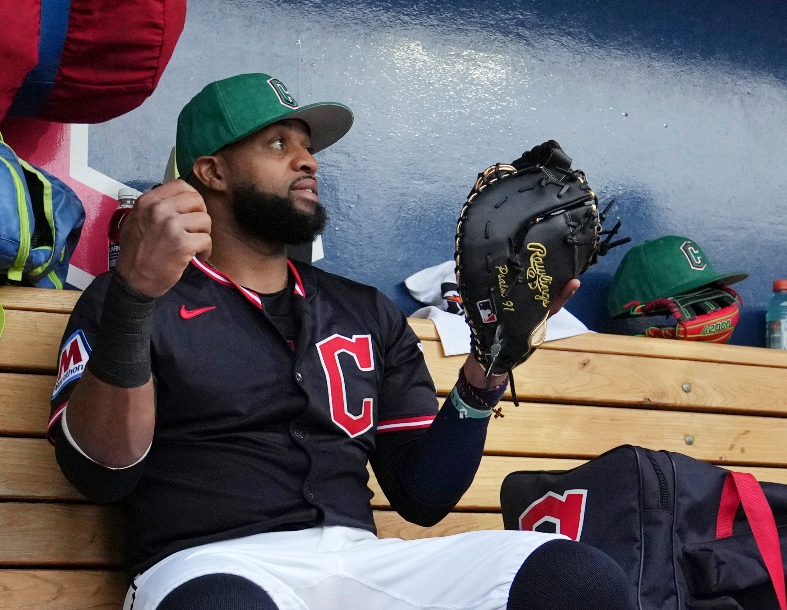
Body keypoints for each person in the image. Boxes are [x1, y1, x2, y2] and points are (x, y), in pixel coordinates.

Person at [48, 72, 635, 610]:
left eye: (308, 148)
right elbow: (101, 472)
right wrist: (135, 297)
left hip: (362, 561)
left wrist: (490, 364)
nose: (307, 162)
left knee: (573, 581)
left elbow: (423, 496)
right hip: (211, 563)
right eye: (279, 145)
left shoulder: (365, 309)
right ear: (213, 172)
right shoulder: (131, 295)